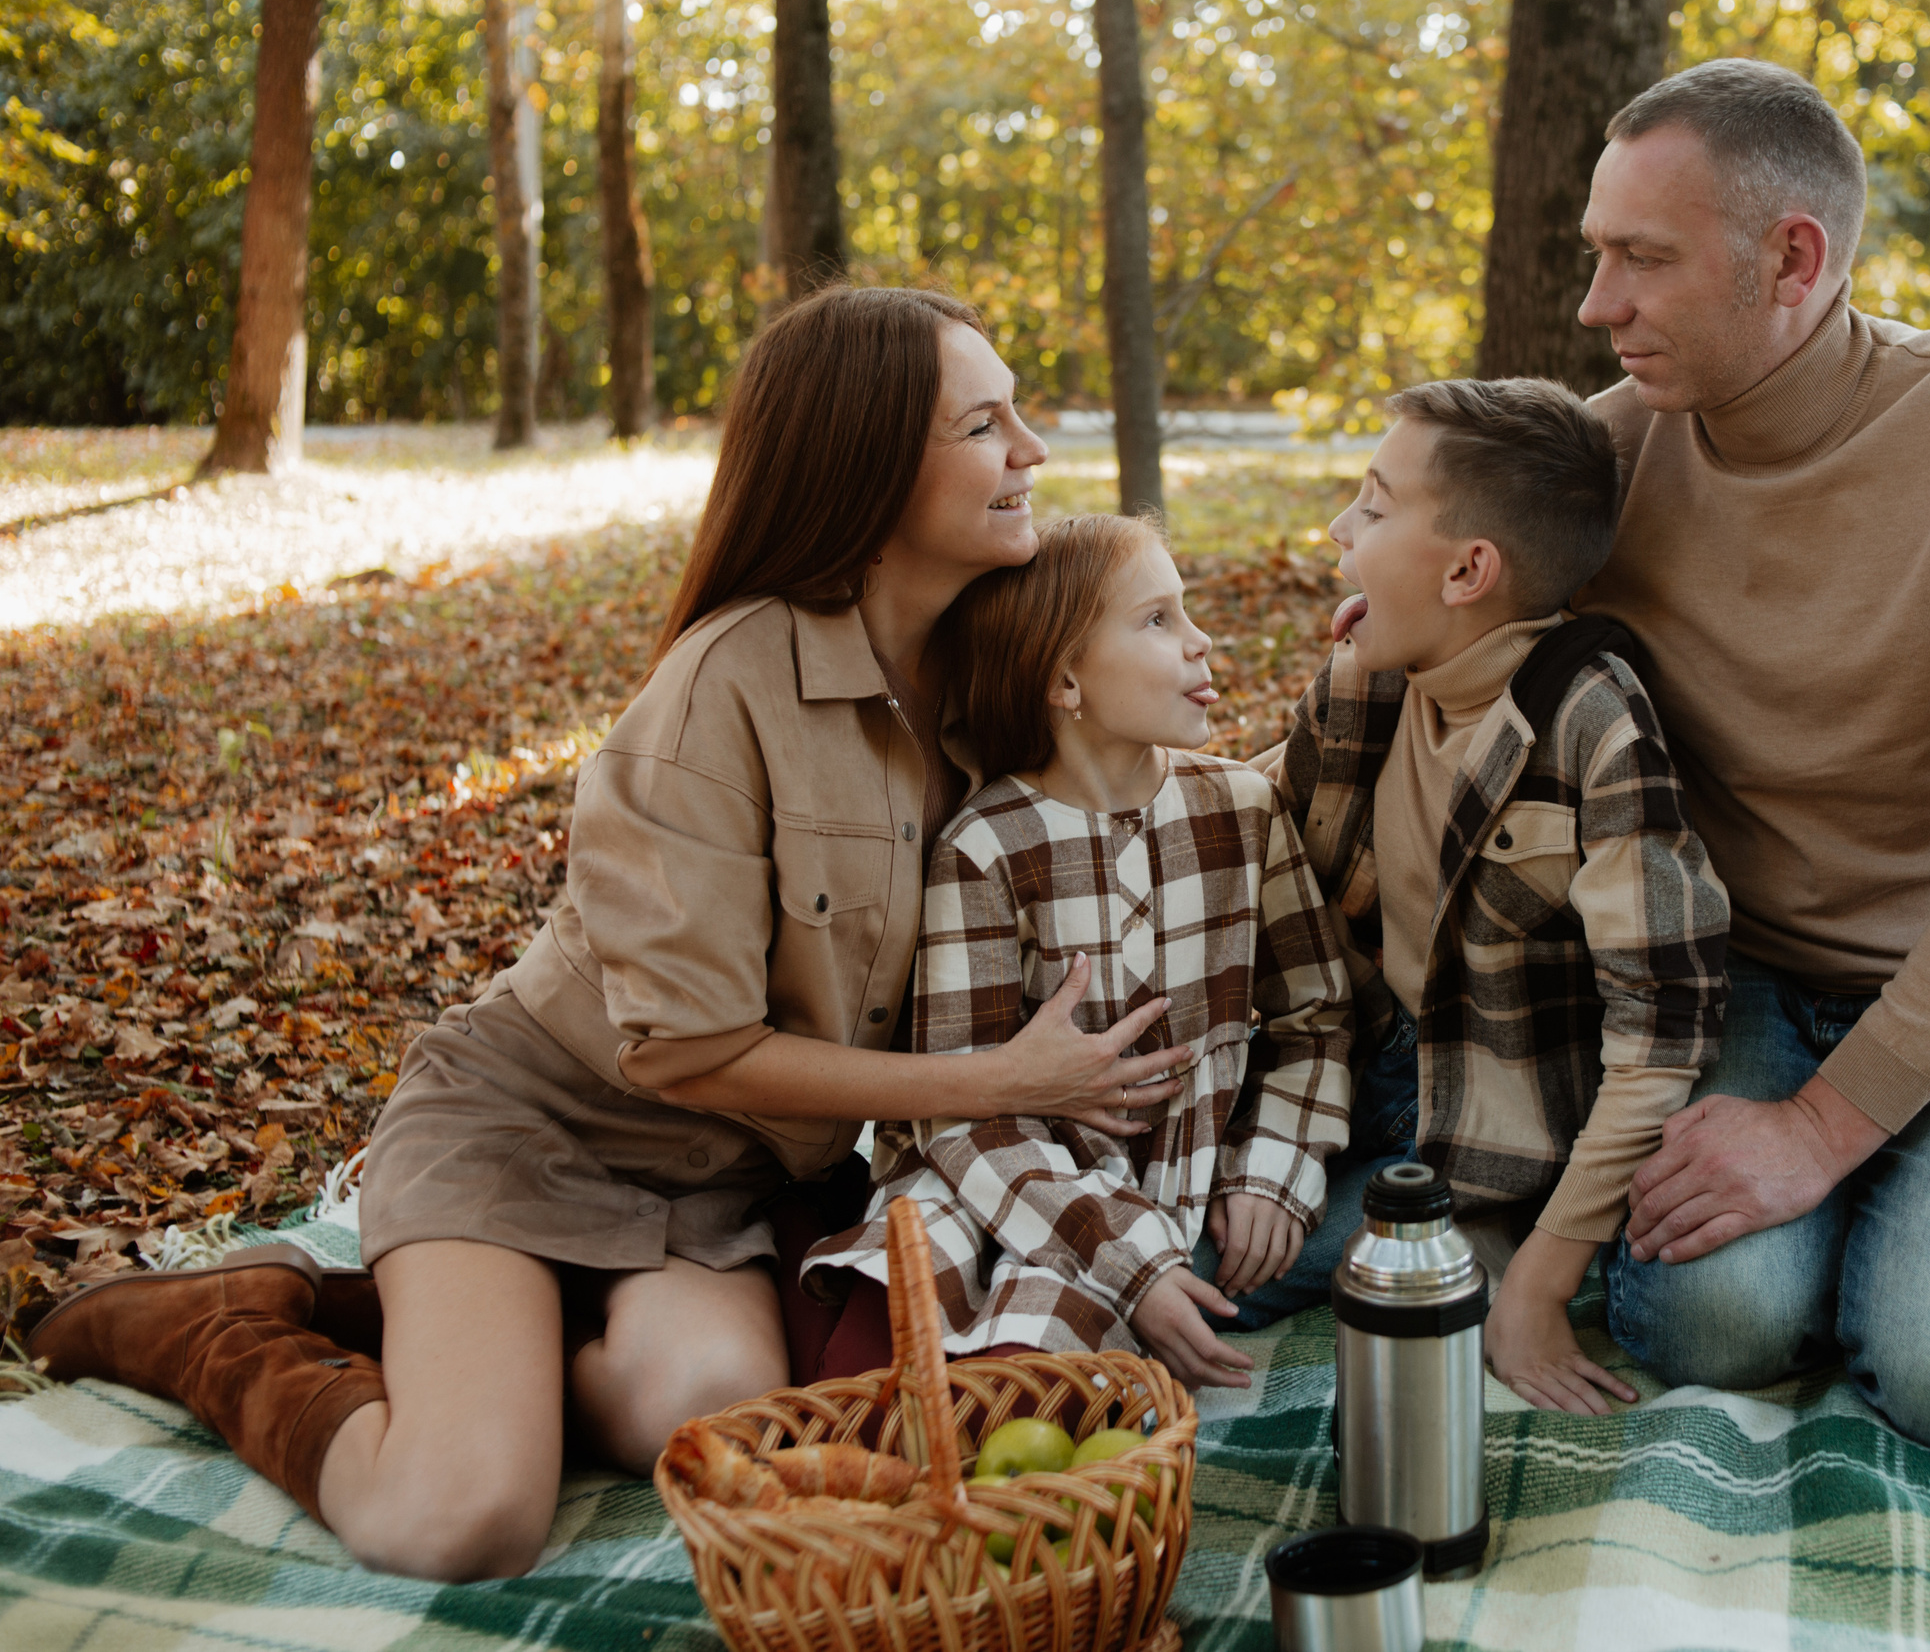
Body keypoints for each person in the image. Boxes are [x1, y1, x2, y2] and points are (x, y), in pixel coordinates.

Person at [25, 288, 1197, 1580]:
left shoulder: (984, 682)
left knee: (711, 1420)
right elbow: (685, 1050)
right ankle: (225, 1325)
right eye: (986, 422)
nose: (1031, 447)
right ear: (865, 464)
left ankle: (456, 1328)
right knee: (462, 1514)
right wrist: (995, 1081)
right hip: (531, 1126)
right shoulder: (721, 687)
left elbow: (1149, 784)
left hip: (714, 1186)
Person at [1571, 59, 1930, 1458]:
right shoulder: (1612, 451)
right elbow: (1426, 600)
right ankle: (1862, 1214)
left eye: (1643, 259)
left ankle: (1926, 1177)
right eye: (1598, 255)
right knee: (1710, 1323)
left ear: (1793, 259)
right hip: (1743, 969)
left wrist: (1822, 1131)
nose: (1599, 305)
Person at [1244, 377, 1731, 1415]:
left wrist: (1542, 1288)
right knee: (1185, 1257)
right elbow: (1257, 839)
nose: (1339, 528)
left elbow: (1663, 1035)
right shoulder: (1367, 673)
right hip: (1349, 1073)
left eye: (1373, 508)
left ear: (1468, 570)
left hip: (1492, 1131)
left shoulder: (1593, 728)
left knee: (1254, 1277)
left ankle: (1498, 1249)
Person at [801, 515, 1354, 1391]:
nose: (1202, 641)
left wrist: (1276, 1172)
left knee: (1050, 1373)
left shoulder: (1243, 809)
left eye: (1188, 612)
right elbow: (964, 1102)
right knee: (878, 1365)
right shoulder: (986, 847)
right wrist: (1134, 1264)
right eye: (1159, 620)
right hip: (1006, 1177)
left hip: (1180, 1180)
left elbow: (1316, 1019)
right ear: (1065, 679)